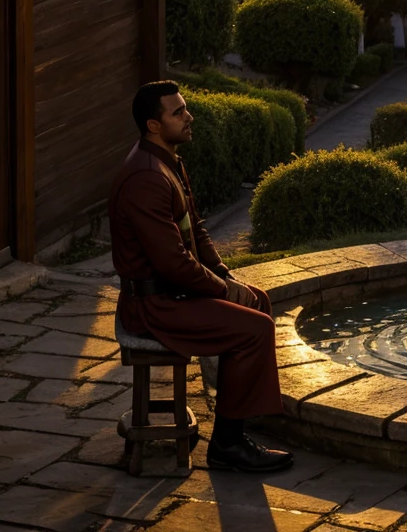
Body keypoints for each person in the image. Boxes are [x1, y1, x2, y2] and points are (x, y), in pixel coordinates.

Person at [108, 80, 293, 473]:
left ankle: (236, 423)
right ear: (153, 125)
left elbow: (196, 230)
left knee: (257, 299)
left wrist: (226, 277)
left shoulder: (167, 161)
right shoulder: (146, 177)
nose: (188, 116)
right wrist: (224, 290)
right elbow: (173, 263)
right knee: (254, 327)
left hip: (174, 295)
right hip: (154, 306)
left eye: (184, 108)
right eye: (177, 112)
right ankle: (227, 446)